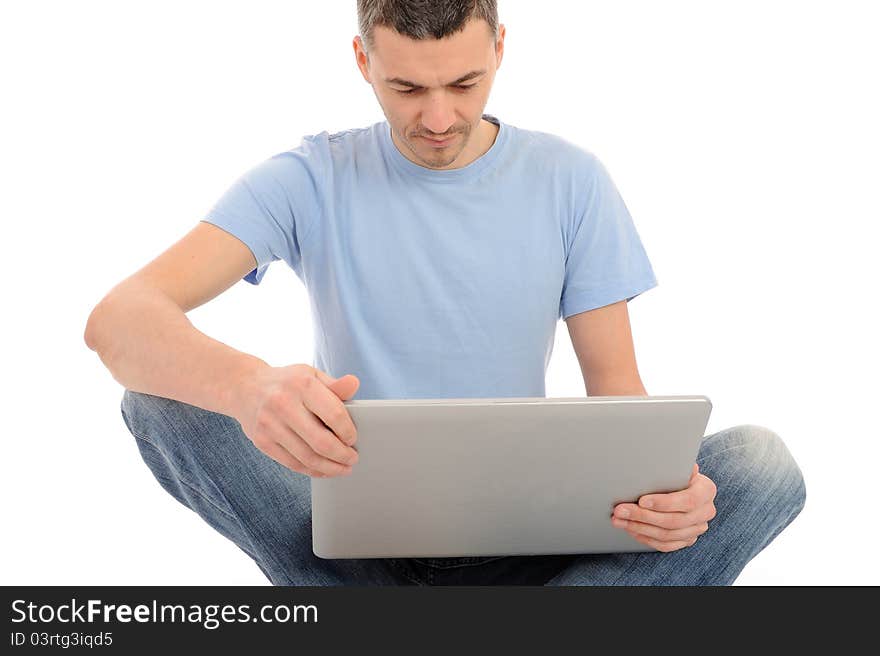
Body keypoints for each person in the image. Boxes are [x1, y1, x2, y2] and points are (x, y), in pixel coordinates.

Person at [84, 0, 806, 585]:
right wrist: (247, 387)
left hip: (535, 537)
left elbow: (618, 392)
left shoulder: (571, 180)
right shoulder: (307, 179)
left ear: (499, 47)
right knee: (160, 397)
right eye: (406, 88)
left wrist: (671, 494)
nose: (437, 120)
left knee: (761, 467)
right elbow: (118, 321)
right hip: (354, 548)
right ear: (363, 59)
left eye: (464, 84)